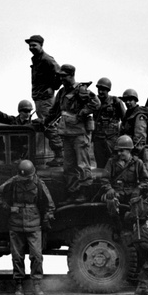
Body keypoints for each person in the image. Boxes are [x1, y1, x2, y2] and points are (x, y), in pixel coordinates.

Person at [0, 159, 55, 295]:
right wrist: (8, 208)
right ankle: (19, 284)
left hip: (34, 224)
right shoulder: (14, 181)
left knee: (36, 256)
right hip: (16, 223)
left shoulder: (39, 183)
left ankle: (37, 284)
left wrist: (47, 216)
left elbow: (50, 204)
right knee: (17, 256)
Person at [46, 64, 100, 202]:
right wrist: (45, 122)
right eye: (60, 76)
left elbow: (96, 103)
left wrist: (82, 113)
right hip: (66, 133)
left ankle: (84, 193)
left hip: (80, 134)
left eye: (64, 76)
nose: (61, 79)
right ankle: (73, 193)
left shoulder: (81, 90)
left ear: (71, 75)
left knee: (82, 165)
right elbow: (55, 110)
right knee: (68, 166)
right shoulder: (62, 92)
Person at [26, 34, 64, 166]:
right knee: (47, 124)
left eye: (34, 45)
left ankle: (60, 156)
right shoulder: (37, 59)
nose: (31, 47)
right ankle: (59, 155)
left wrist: (53, 87)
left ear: (41, 45)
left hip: (45, 99)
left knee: (49, 125)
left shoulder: (47, 59)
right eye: (30, 45)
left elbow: (60, 73)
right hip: (39, 98)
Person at [102, 135, 148, 205]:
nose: (119, 153)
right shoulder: (111, 162)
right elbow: (104, 178)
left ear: (129, 150)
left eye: (121, 151)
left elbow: (147, 181)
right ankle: (114, 216)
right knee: (111, 201)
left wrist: (138, 189)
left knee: (142, 203)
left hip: (132, 194)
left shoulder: (138, 163)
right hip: (117, 193)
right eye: (118, 151)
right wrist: (109, 189)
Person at [92, 78, 126, 168]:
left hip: (111, 139)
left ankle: (114, 181)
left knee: (113, 161)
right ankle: (101, 181)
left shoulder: (116, 101)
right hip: (98, 138)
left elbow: (125, 119)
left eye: (103, 90)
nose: (100, 92)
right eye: (99, 89)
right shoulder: (94, 101)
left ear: (108, 90)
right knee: (100, 163)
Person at [119, 88, 148, 165]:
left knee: (144, 174)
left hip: (137, 152)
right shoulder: (128, 115)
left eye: (130, 100)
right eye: (126, 101)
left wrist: (134, 154)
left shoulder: (139, 115)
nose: (127, 102)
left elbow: (140, 138)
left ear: (135, 101)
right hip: (128, 150)